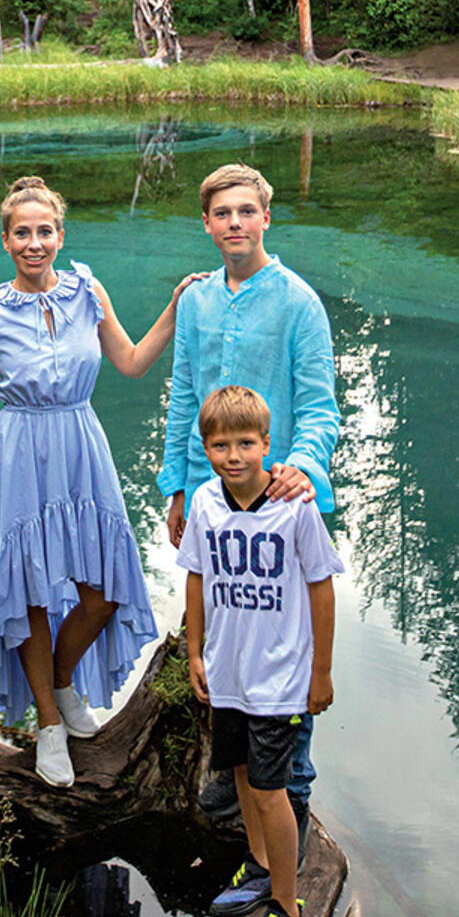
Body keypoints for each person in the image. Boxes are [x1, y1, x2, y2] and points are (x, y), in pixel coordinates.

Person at [0, 175, 204, 788]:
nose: (34, 242)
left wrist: (173, 309)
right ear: (6, 241)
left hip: (82, 447)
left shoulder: (88, 292)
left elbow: (132, 362)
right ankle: (48, 725)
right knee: (30, 594)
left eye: (44, 231)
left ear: (60, 236)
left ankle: (63, 684)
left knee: (104, 589)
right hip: (19, 454)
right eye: (22, 233)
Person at [157, 162, 339, 838]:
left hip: (280, 502)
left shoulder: (298, 302)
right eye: (222, 214)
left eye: (246, 212)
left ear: (266, 217)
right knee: (229, 619)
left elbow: (321, 406)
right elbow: (183, 397)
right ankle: (232, 780)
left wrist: (304, 466)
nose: (235, 223)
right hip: (213, 500)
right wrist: (176, 484)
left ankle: (294, 794)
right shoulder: (198, 301)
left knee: (287, 640)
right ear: (206, 224)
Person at [180, 386, 343, 917]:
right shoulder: (204, 503)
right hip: (229, 675)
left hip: (280, 683)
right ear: (206, 449)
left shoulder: (294, 508)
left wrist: (320, 671)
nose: (234, 456)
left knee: (274, 789)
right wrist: (195, 653)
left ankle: (287, 908)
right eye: (220, 445)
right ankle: (257, 864)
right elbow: (196, 576)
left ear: (266, 444)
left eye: (245, 443)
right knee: (244, 774)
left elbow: (322, 587)